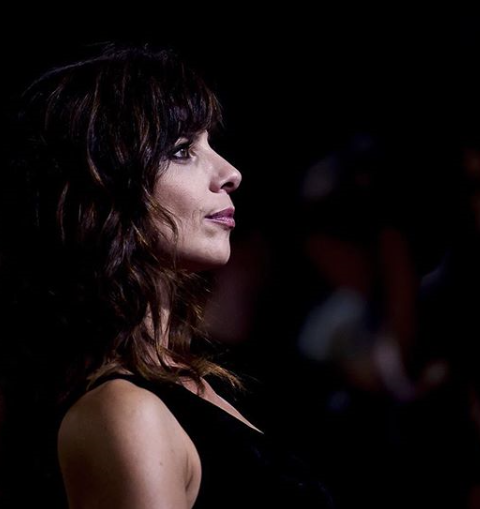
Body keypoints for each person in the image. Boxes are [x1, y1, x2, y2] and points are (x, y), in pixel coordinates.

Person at [0, 43, 335, 508]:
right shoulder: (122, 412)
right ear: (102, 191)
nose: (231, 173)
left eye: (209, 144)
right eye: (181, 151)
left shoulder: (180, 382)